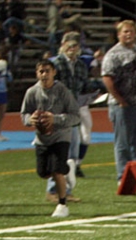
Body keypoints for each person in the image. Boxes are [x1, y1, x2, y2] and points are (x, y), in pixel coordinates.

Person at [20, 59, 80, 218]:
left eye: (47, 71)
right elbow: (24, 114)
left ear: (54, 72)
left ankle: (62, 204)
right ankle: (68, 169)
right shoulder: (32, 92)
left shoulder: (63, 91)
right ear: (37, 73)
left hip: (61, 136)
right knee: (44, 173)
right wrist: (30, 120)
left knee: (56, 171)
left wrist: (56, 119)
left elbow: (75, 117)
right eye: (41, 71)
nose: (44, 74)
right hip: (41, 138)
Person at [102, 19, 136, 181]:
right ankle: (123, 175)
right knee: (123, 143)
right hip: (121, 104)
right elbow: (107, 78)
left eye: (131, 31)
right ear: (119, 34)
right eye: (125, 31)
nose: (128, 34)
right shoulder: (113, 54)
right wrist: (120, 99)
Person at [48, 31, 89, 203]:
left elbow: (82, 87)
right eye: (69, 45)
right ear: (63, 46)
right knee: (59, 152)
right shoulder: (55, 64)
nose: (73, 48)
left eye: (76, 45)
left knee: (71, 154)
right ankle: (53, 190)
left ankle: (66, 190)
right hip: (58, 113)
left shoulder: (80, 65)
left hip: (73, 112)